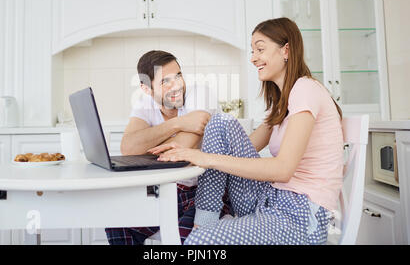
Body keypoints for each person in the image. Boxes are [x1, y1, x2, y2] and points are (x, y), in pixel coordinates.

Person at [151, 17, 344, 245]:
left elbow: (283, 170)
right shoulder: (283, 101)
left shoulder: (306, 88)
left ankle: (204, 230)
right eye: (253, 51)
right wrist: (189, 151)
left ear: (286, 50)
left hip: (300, 215)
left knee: (200, 243)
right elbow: (240, 151)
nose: (253, 58)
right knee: (220, 122)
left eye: (260, 49)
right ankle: (204, 223)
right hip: (269, 198)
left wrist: (204, 158)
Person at [105, 50, 230, 245]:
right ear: (146, 89)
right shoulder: (144, 102)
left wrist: (147, 143)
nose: (177, 86)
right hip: (164, 191)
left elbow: (181, 151)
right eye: (165, 81)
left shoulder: (200, 93)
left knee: (183, 239)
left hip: (204, 193)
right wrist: (177, 124)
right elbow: (128, 148)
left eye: (178, 76)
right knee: (117, 221)